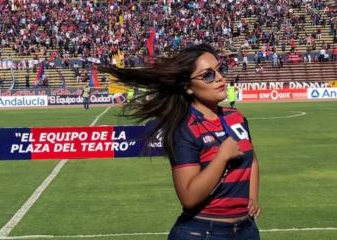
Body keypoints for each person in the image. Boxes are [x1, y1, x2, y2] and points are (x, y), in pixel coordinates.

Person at [100, 43, 261, 240]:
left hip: (246, 231)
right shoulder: (184, 129)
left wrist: (252, 196)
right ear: (188, 87)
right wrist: (222, 157)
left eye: (220, 69)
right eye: (208, 75)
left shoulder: (236, 117)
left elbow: (251, 159)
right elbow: (189, 197)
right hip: (202, 232)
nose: (219, 78)